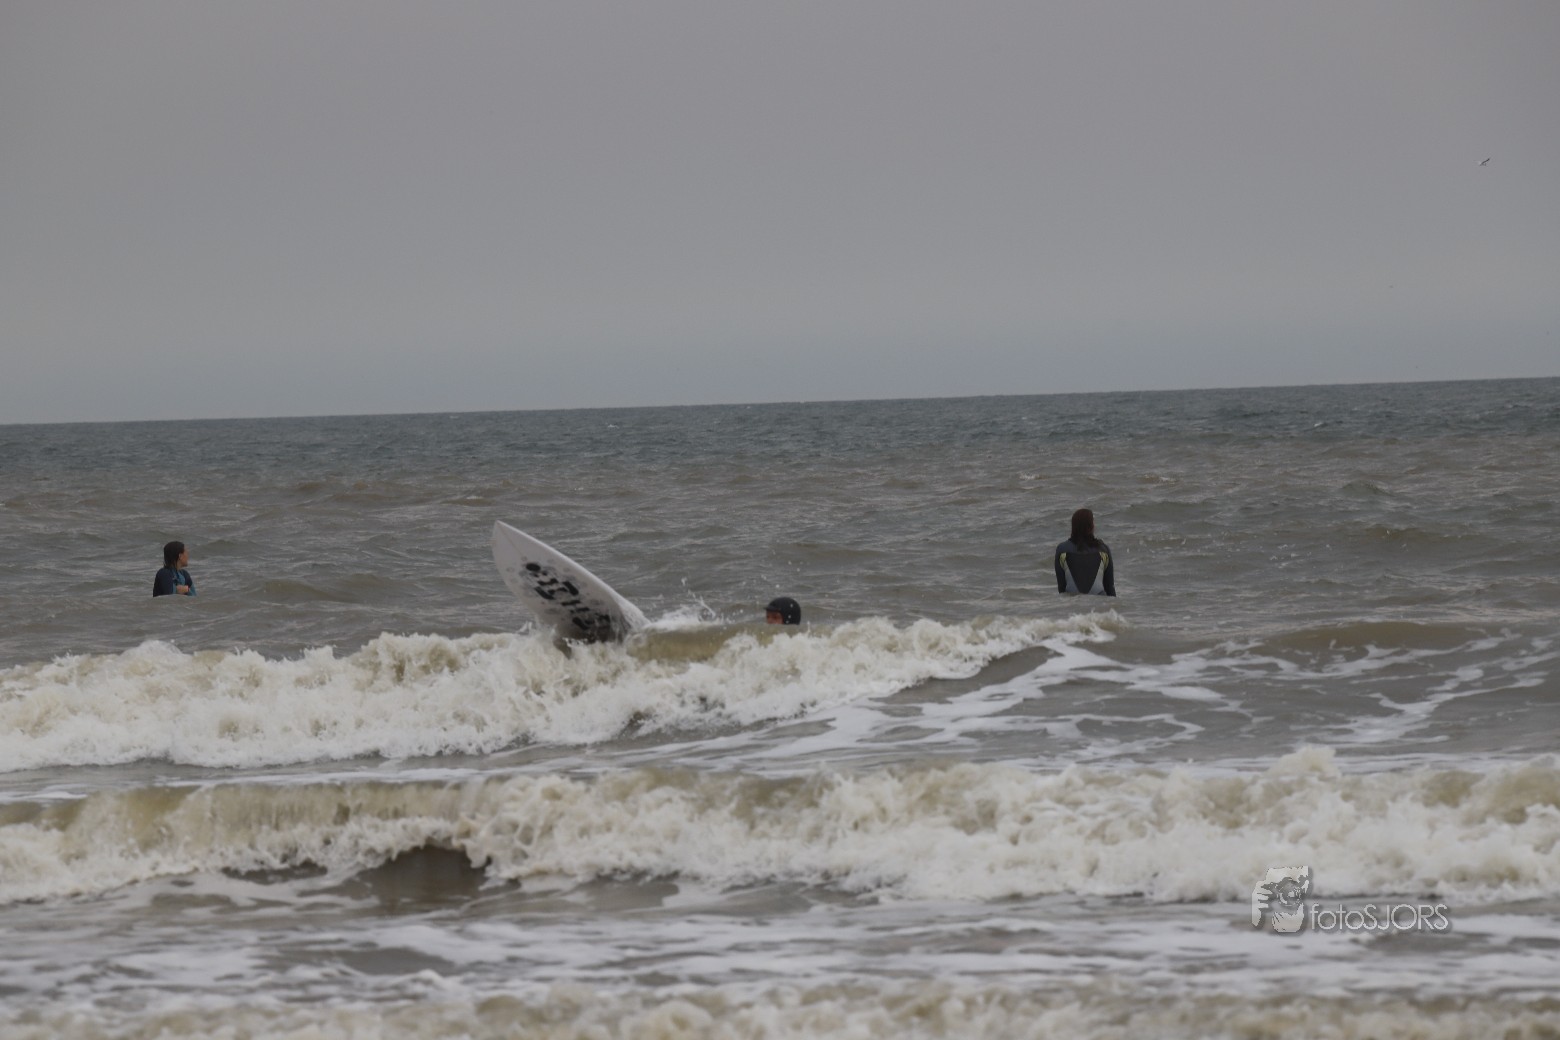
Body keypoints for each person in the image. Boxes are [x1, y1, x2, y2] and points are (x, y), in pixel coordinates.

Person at [1055, 509, 1115, 596]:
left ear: (1073, 526)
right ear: (1091, 526)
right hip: (1099, 602)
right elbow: (1110, 588)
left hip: (1071, 602)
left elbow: (1061, 589)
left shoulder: (1062, 549)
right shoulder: (1103, 550)